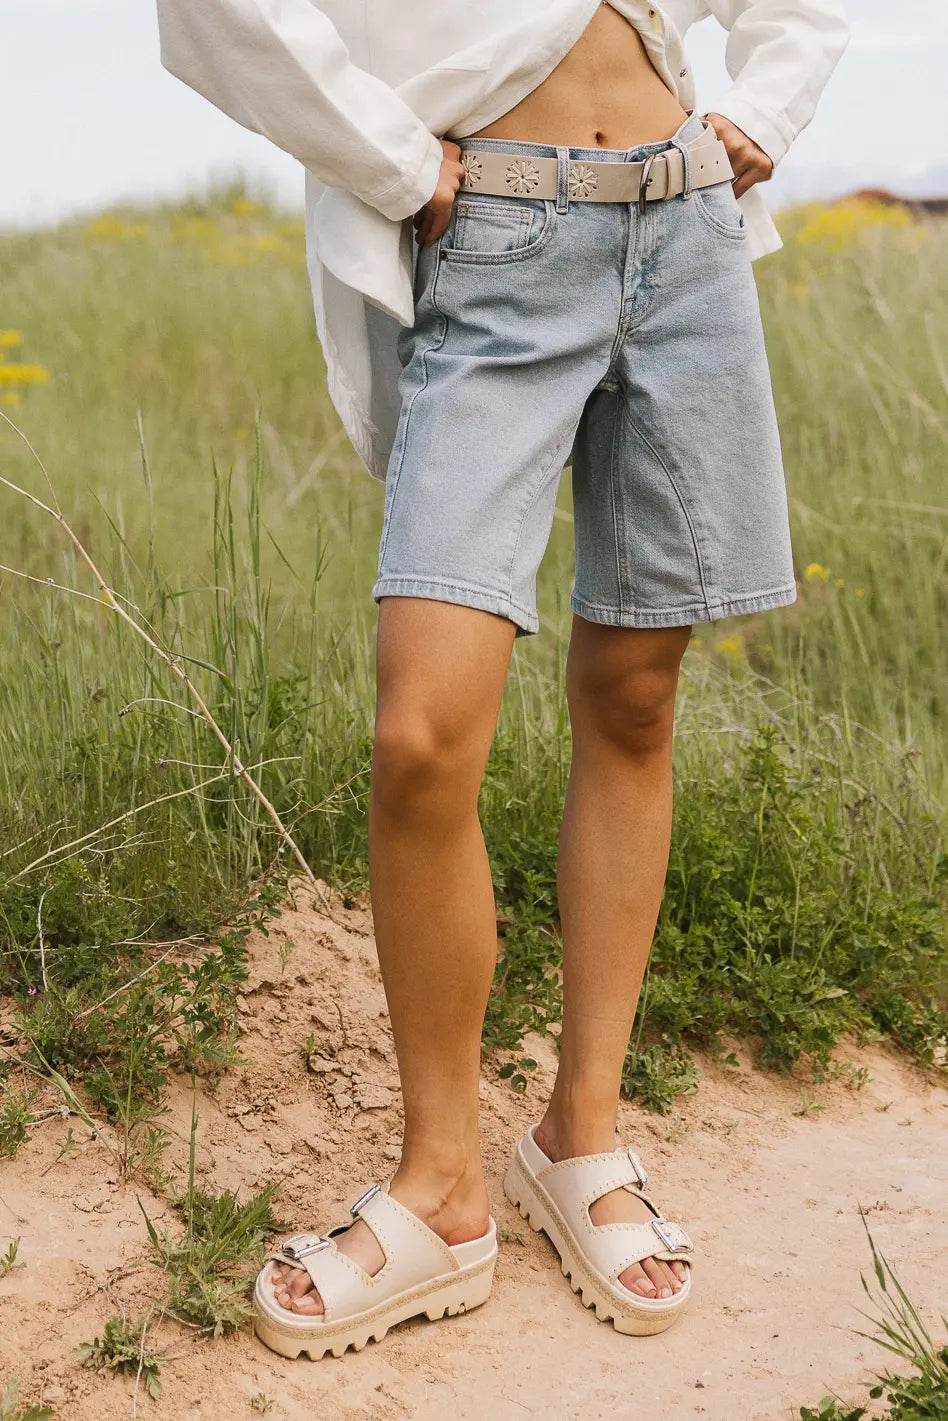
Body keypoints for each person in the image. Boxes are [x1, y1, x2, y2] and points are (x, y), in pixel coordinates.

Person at [156, 0, 850, 1359]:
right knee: (421, 729)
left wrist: (764, 111)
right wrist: (396, 164)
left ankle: (579, 1133)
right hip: (490, 232)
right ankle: (441, 1184)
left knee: (638, 694)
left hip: (685, 227)